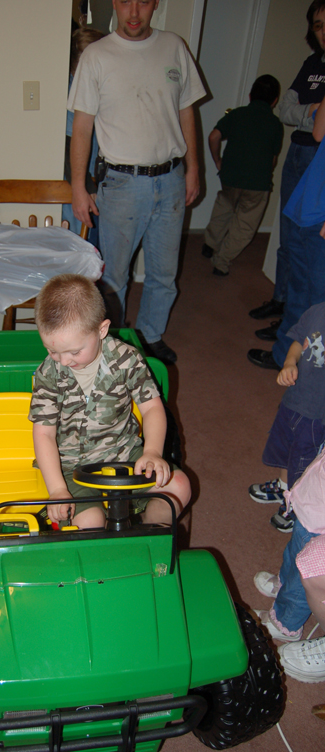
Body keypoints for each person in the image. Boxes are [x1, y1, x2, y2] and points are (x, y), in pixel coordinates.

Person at [68, 0, 205, 366]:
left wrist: (194, 168)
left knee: (164, 272)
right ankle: (112, 338)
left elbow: (186, 110)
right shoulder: (97, 56)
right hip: (122, 184)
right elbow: (81, 127)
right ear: (115, 3)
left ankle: (150, 336)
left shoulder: (174, 46)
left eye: (142, 1)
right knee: (114, 276)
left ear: (155, 4)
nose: (133, 12)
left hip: (172, 179)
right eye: (125, 1)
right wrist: (78, 187)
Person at [28, 273, 191, 529]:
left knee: (179, 486)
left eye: (73, 351)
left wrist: (152, 453)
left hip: (124, 452)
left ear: (101, 330)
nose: (63, 361)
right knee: (91, 521)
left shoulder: (127, 359)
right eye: (52, 350)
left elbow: (152, 409)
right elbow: (44, 434)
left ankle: (150, 530)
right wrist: (57, 489)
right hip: (72, 467)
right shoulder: (48, 373)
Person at [248, 0, 325, 367]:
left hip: (318, 166)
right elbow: (287, 110)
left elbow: (316, 123)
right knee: (289, 248)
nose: (323, 31)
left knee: (311, 270)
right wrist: (309, 113)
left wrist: (308, 114)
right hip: (299, 156)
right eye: (319, 25)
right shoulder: (312, 64)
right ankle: (285, 321)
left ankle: (291, 354)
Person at [248, 301, 325, 533]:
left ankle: (296, 502)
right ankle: (283, 488)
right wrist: (290, 362)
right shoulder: (317, 310)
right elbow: (298, 341)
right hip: (293, 400)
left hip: (316, 414)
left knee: (303, 461)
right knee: (284, 449)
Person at [252, 447, 325, 681]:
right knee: (291, 556)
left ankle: (285, 622)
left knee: (299, 582)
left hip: (318, 523)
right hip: (309, 506)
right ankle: (283, 582)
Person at [201, 75, 283, 278]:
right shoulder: (275, 124)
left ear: (249, 96)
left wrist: (217, 160)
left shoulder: (237, 115)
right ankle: (221, 262)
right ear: (274, 101)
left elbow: (213, 136)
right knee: (244, 225)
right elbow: (273, 159)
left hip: (230, 176)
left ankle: (210, 244)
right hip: (257, 183)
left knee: (224, 209)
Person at [62, 27, 105, 245]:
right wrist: (88, 189)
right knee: (81, 250)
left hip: (93, 183)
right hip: (78, 188)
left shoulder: (95, 91)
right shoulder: (72, 93)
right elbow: (69, 146)